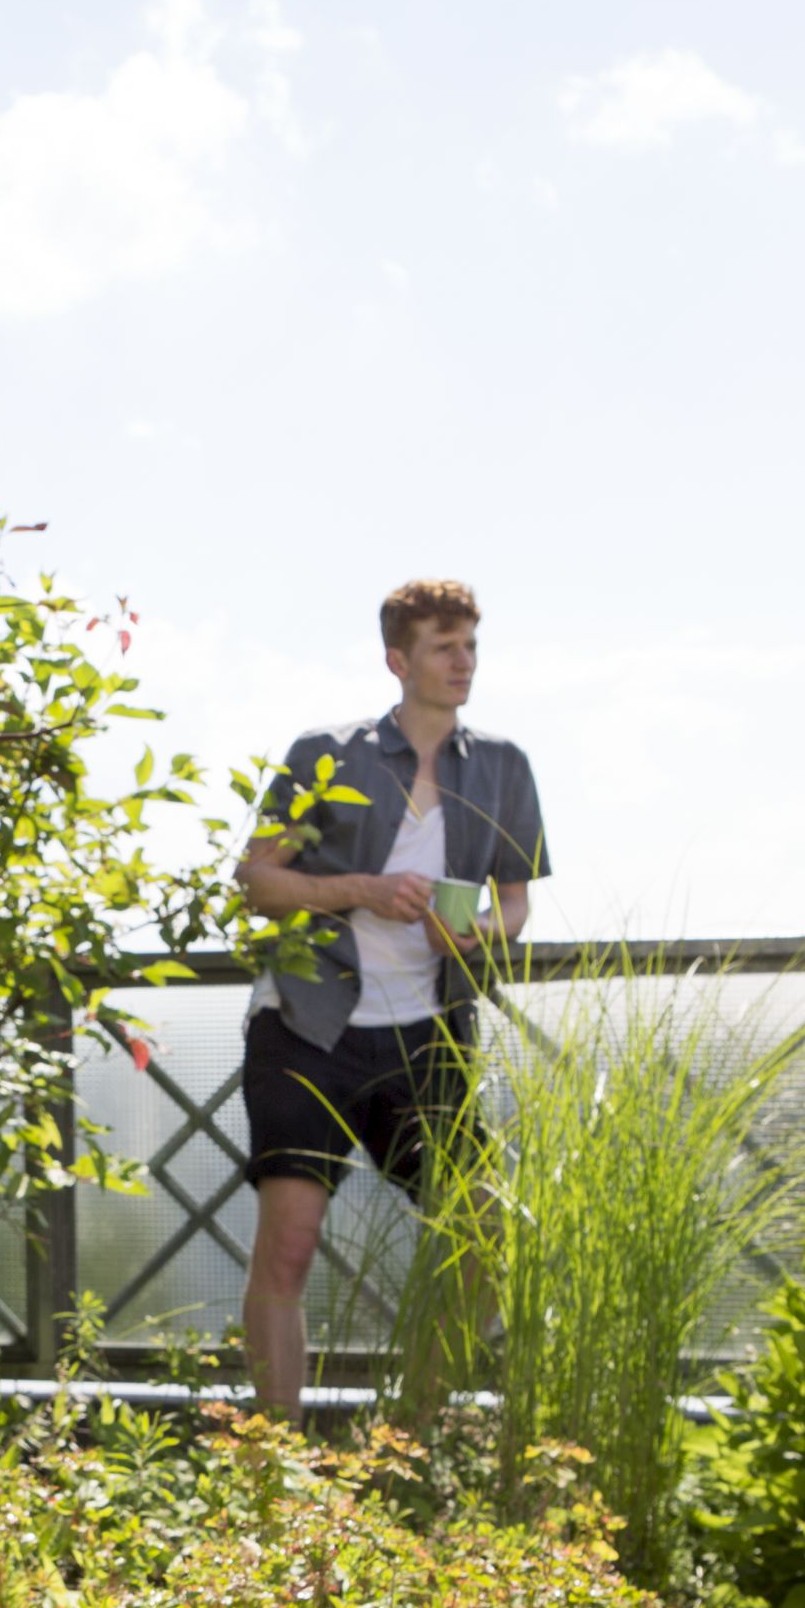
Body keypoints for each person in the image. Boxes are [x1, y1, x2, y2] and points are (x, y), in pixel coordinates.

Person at [233, 577, 548, 1419]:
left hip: (428, 1034)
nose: (463, 662)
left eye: (471, 645)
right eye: (445, 647)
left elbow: (514, 903)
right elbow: (258, 881)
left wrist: (482, 930)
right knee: (290, 1245)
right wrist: (364, 888)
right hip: (308, 1026)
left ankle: (412, 1431)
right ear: (396, 659)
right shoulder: (325, 754)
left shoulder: (506, 766)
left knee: (480, 1232)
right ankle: (274, 1462)